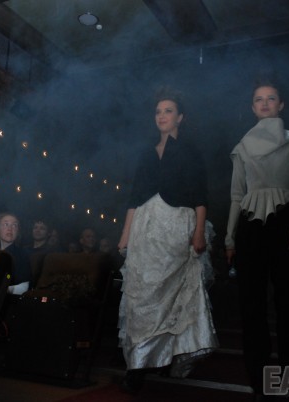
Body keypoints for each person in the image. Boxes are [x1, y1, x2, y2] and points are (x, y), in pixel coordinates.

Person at [117, 87, 218, 393]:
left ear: (180, 117)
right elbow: (134, 196)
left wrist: (198, 232)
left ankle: (166, 357)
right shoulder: (146, 152)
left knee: (172, 297)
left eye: (168, 111)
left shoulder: (190, 151)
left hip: (176, 229)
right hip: (145, 228)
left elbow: (200, 195)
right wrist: (125, 234)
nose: (162, 116)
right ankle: (138, 364)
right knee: (141, 295)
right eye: (158, 111)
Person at [224, 81, 289, 397]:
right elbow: (237, 195)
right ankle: (258, 379)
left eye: (270, 98)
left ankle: (287, 369)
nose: (264, 103)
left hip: (286, 221)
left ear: (281, 104)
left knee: (287, 302)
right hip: (250, 226)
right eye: (258, 99)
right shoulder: (241, 147)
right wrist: (229, 238)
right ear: (252, 107)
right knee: (251, 305)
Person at [0, 212, 30, 294]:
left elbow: (25, 285)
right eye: (6, 224)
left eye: (14, 225)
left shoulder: (22, 255)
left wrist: (7, 290)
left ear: (17, 232)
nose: (10, 228)